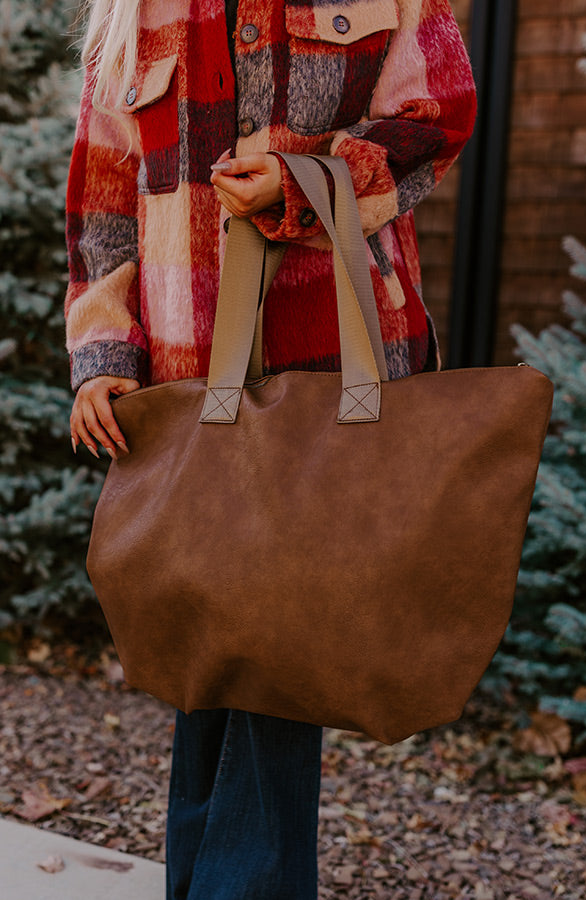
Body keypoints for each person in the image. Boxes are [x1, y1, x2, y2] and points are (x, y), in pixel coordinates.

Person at [65, 1, 476, 897]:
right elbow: (104, 197)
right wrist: (102, 353)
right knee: (218, 652)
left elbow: (438, 115)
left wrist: (304, 180)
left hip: (333, 373)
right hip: (184, 382)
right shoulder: (137, 11)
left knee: (273, 649)